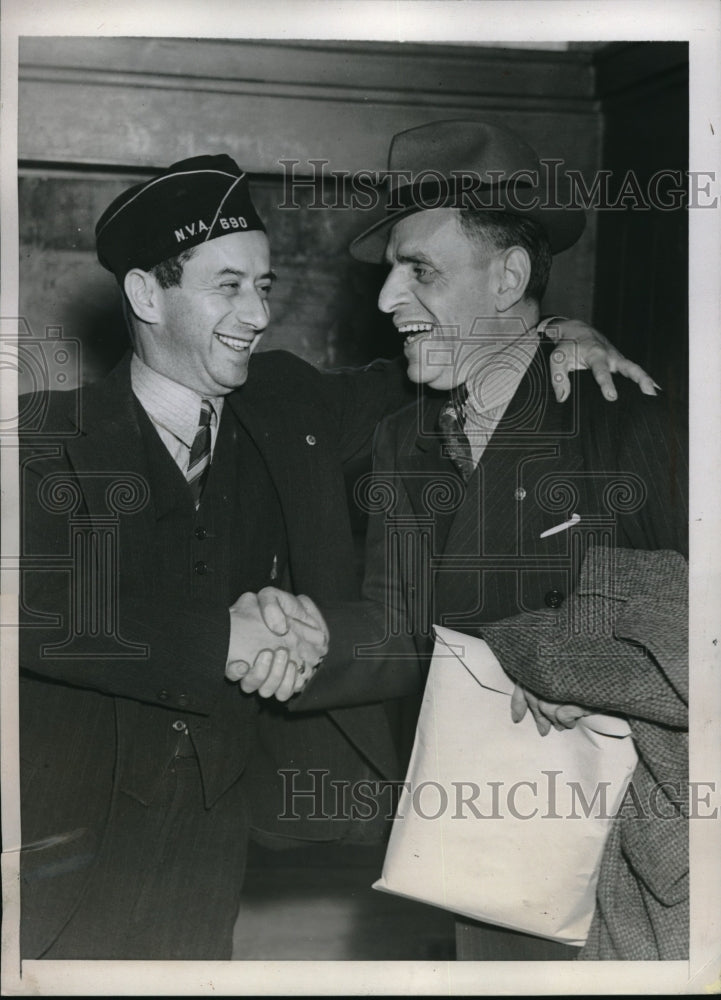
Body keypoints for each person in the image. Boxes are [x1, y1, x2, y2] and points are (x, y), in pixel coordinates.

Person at [17, 151, 654, 961]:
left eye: (264, 286)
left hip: (212, 846)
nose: (255, 313)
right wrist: (222, 641)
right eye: (227, 286)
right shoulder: (41, 433)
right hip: (50, 847)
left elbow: (459, 354)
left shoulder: (286, 400)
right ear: (146, 293)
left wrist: (557, 327)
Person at [249, 121, 688, 961]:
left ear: (507, 277)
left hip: (630, 875)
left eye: (420, 272)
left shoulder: (624, 420)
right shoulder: (402, 440)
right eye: (389, 274)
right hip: (478, 857)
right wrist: (290, 635)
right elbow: (401, 630)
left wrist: (601, 675)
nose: (385, 301)